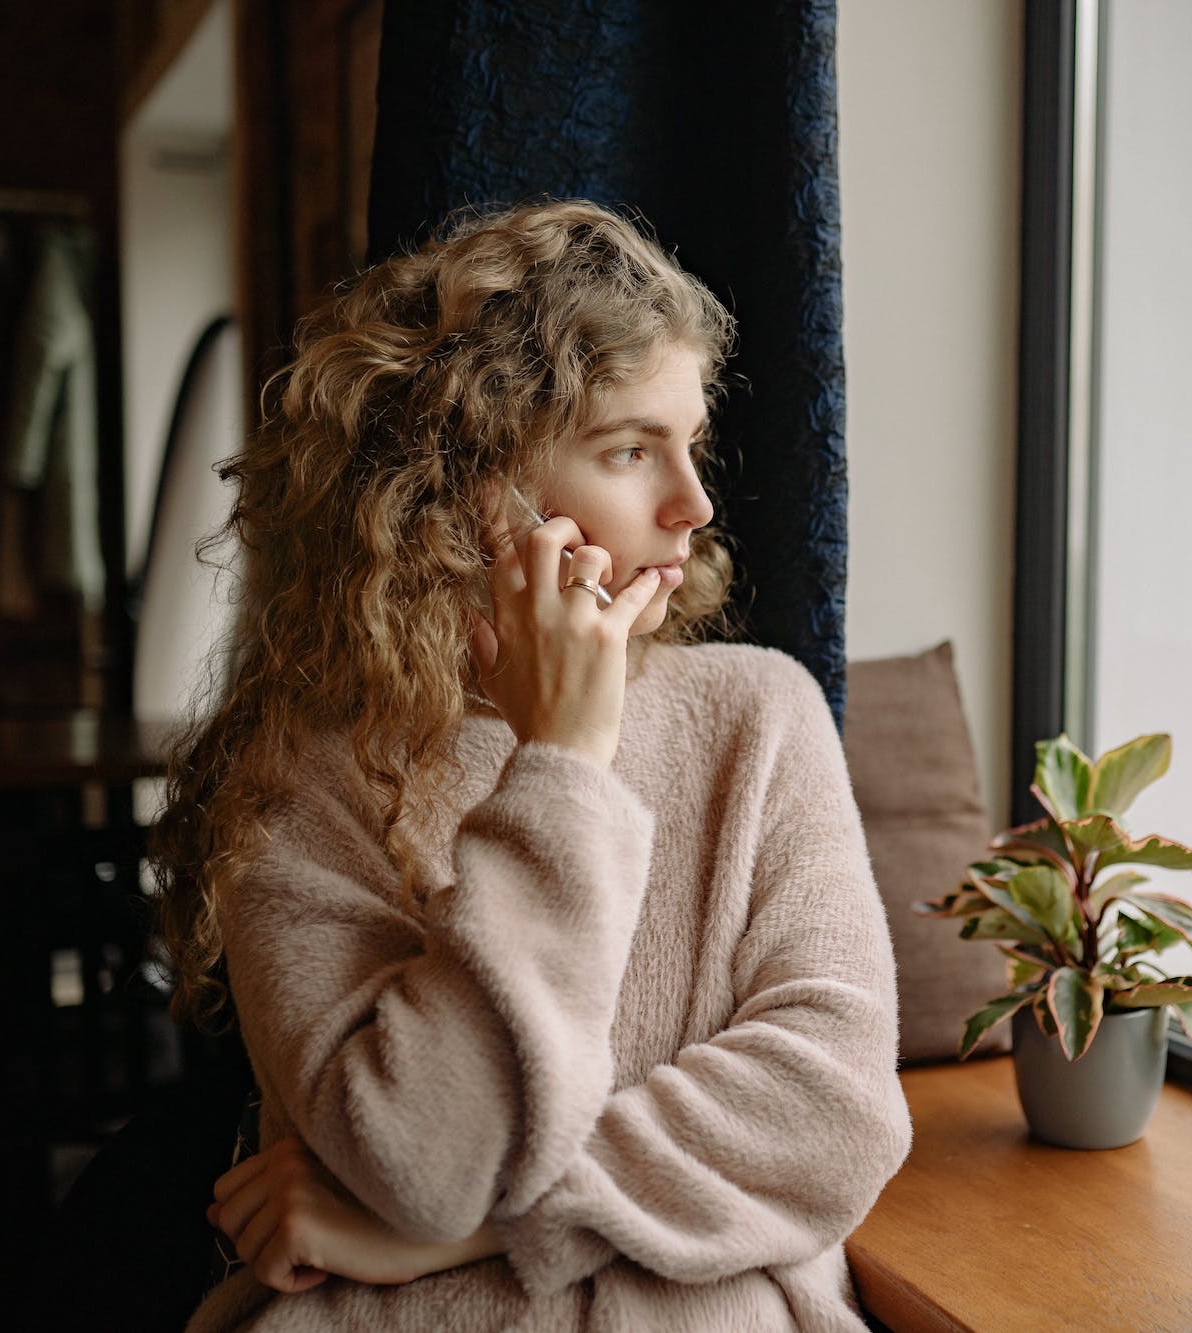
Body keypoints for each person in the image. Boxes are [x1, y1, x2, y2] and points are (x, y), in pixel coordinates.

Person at [155, 199, 912, 1331]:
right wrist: (563, 765)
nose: (692, 505)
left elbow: (836, 1114)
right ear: (467, 482)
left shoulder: (759, 717)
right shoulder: (300, 777)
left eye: (689, 444)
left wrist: (479, 1229)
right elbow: (421, 1158)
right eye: (627, 449)